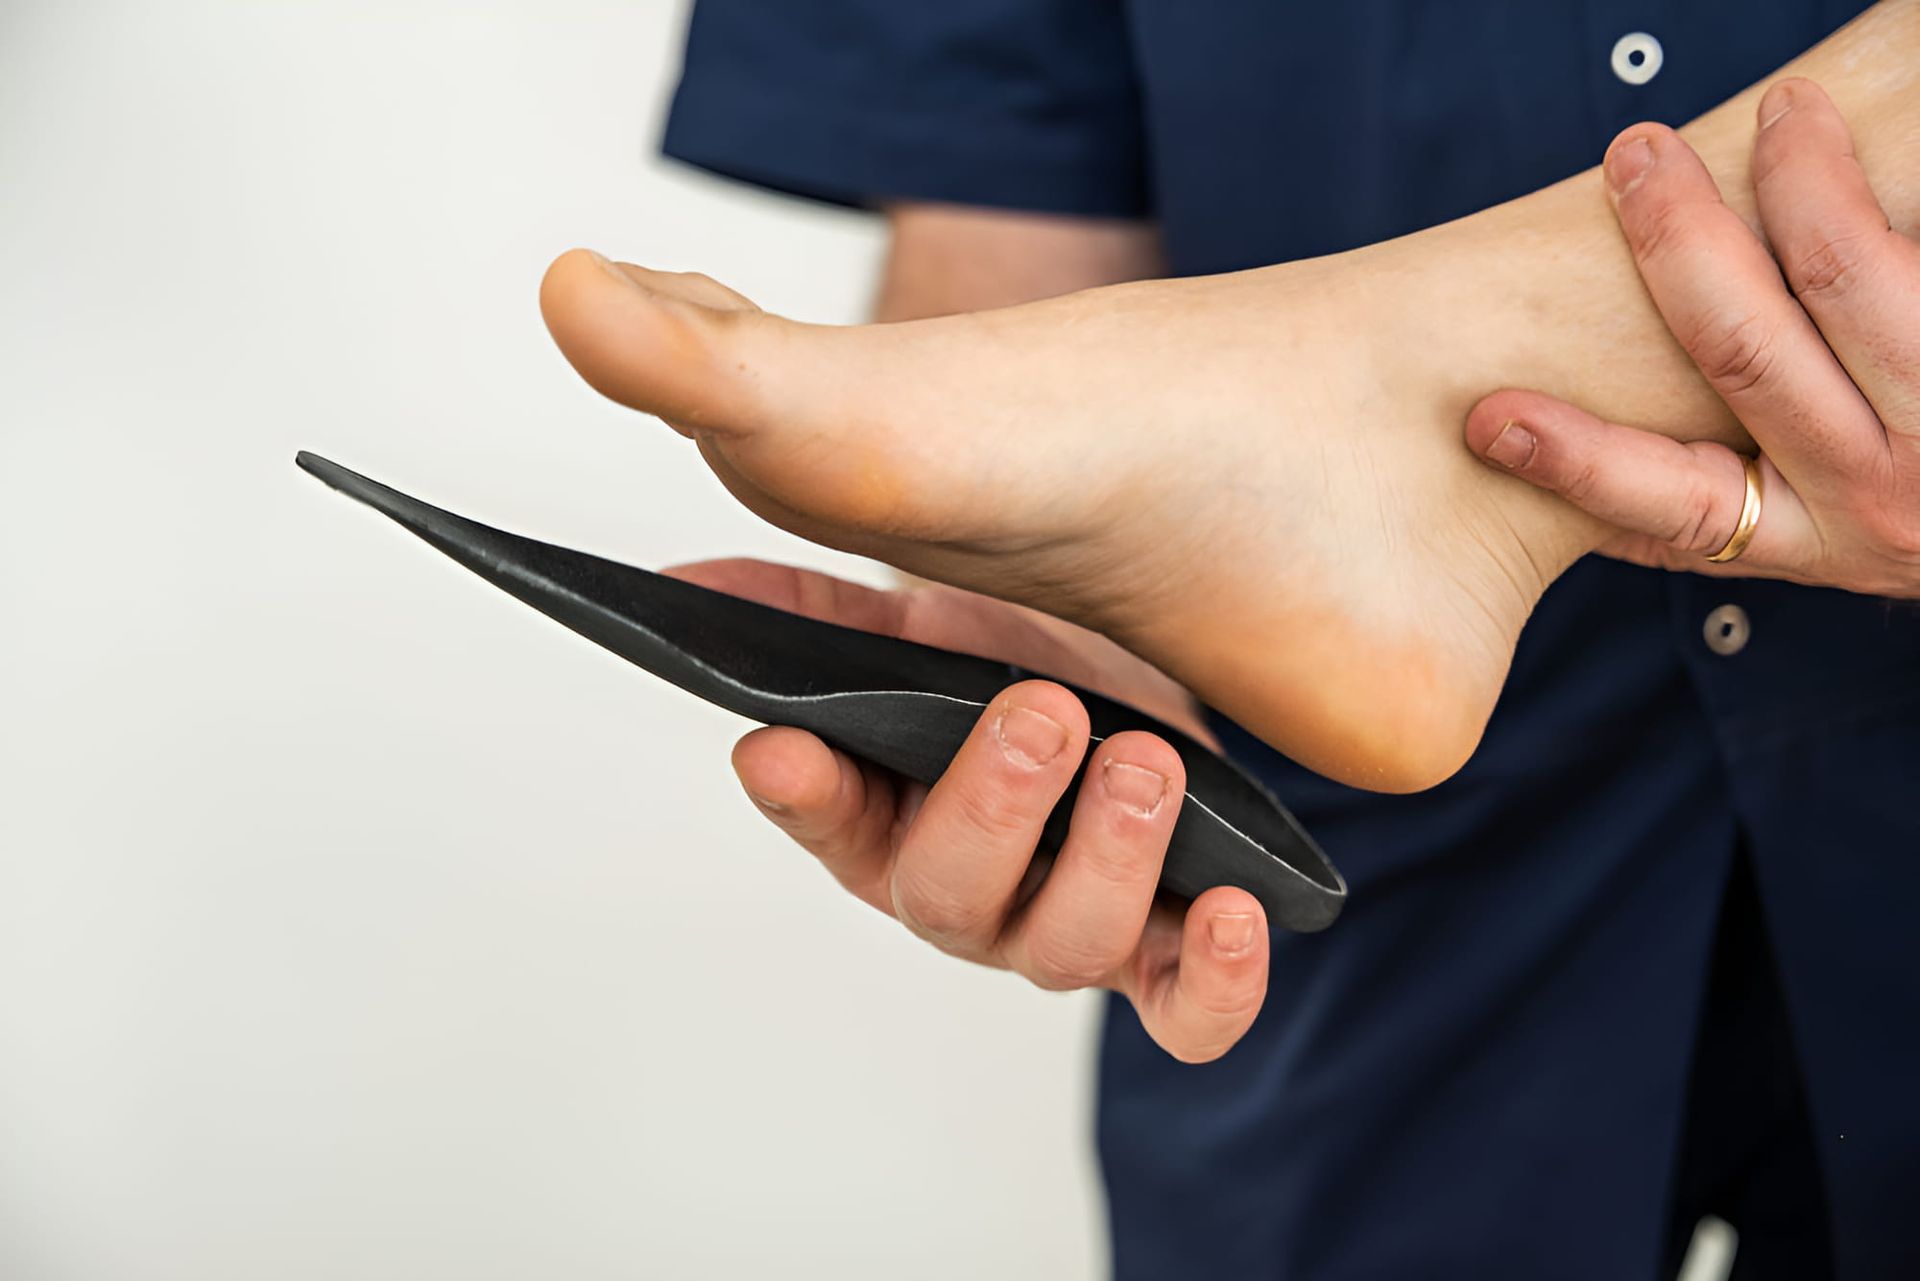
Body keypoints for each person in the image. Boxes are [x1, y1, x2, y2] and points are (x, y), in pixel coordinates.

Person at [545, 2, 1920, 1276]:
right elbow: (1003, 170)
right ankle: (1351, 407)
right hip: (1376, 881)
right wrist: (1050, 582)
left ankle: (1381, 389)